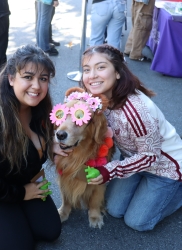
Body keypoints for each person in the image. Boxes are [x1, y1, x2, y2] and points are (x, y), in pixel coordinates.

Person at [0, 44, 62, 249]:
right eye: (28, 77)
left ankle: (12, 216)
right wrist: (23, 194)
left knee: (50, 231)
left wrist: (50, 145)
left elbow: (33, 142)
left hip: (22, 177)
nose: (37, 86)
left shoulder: (40, 107)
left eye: (43, 79)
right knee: (20, 245)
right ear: (11, 78)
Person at [78, 44, 182, 231]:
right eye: (87, 69)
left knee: (137, 222)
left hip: (164, 167)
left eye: (100, 67)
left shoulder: (137, 110)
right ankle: (143, 187)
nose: (92, 75)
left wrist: (110, 170)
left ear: (118, 72)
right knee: (114, 209)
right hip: (133, 158)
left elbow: (150, 156)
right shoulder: (95, 100)